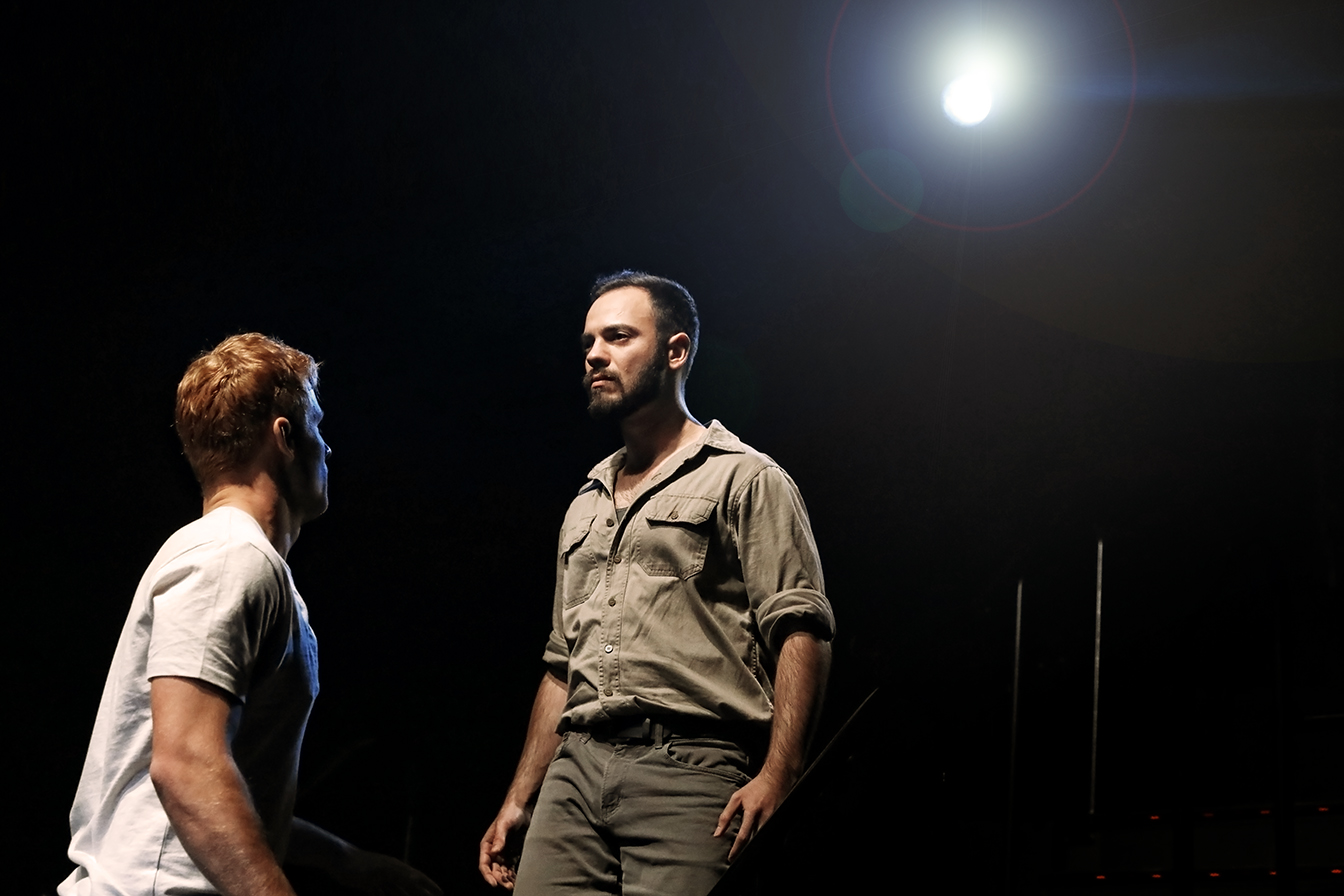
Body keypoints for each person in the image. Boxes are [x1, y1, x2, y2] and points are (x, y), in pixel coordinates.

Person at [479, 272, 835, 895]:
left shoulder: (745, 478)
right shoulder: (585, 503)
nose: (595, 355)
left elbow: (801, 626)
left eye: (618, 337)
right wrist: (519, 797)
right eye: (589, 341)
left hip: (692, 770)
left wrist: (782, 774)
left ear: (676, 351)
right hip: (573, 777)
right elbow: (562, 666)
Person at [59, 334, 440, 896]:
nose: (327, 448)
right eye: (317, 426)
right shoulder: (229, 558)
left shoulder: (234, 558)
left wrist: (345, 860)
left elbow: (223, 783)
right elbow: (185, 766)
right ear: (284, 437)